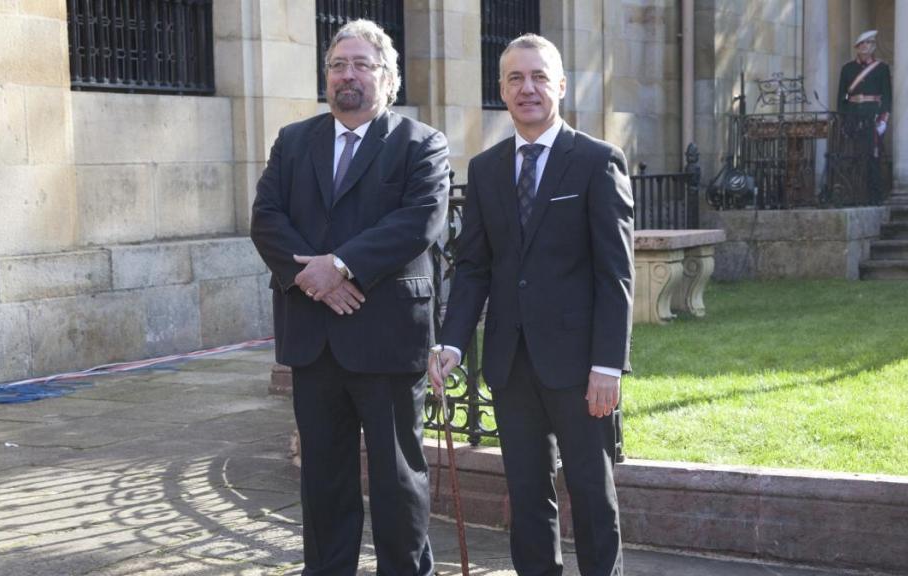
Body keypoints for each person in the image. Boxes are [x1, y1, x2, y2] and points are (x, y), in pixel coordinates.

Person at [428, 34, 633, 576]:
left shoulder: (596, 162)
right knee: (526, 496)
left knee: (592, 495)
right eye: (516, 79)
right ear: (501, 89)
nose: (528, 88)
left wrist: (608, 365)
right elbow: (473, 266)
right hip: (511, 363)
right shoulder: (488, 168)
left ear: (561, 86)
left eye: (539, 76)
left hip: (581, 369)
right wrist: (451, 341)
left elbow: (616, 274)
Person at [250, 19, 449, 576]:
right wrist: (315, 279)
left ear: (388, 78)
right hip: (313, 340)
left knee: (396, 479)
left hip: (386, 338)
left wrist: (338, 266)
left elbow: (419, 222)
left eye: (362, 65)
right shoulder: (294, 142)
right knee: (323, 479)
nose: (348, 76)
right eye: (339, 65)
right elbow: (266, 220)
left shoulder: (420, 143)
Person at [836, 30, 891, 199]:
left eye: (869, 44)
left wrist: (883, 120)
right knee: (852, 157)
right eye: (862, 44)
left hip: (872, 117)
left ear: (873, 47)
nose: (865, 47)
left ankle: (874, 195)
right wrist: (843, 119)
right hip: (853, 116)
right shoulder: (847, 69)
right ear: (857, 48)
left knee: (872, 158)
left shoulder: (881, 68)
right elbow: (841, 97)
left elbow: (887, 96)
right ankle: (854, 194)